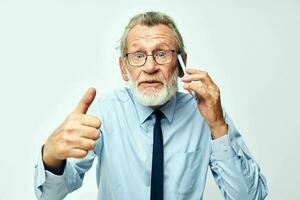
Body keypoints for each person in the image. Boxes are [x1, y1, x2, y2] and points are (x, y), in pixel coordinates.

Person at [34, 11, 268, 200]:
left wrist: (218, 126)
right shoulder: (104, 113)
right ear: (124, 68)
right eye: (138, 55)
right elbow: (49, 195)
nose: (150, 67)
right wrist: (52, 157)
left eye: (161, 54)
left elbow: (250, 197)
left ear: (180, 64)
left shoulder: (206, 114)